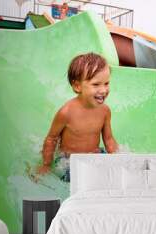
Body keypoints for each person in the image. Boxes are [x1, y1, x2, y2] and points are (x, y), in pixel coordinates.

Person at [36, 53, 119, 181]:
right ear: (77, 86)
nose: (103, 90)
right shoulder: (66, 113)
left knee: (110, 175)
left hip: (94, 155)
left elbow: (108, 139)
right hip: (68, 160)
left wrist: (118, 159)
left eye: (106, 83)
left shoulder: (105, 111)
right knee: (75, 179)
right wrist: (46, 165)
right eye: (96, 84)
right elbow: (51, 139)